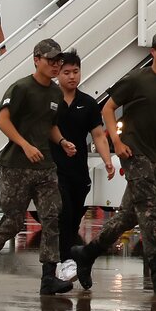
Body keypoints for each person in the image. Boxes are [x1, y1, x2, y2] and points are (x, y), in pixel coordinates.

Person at [70, 30, 156, 295]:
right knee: (150, 209)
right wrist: (117, 141)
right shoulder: (137, 79)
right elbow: (108, 108)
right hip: (134, 153)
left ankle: (87, 254)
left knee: (128, 216)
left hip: (155, 156)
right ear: (153, 52)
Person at [0, 38, 74, 296]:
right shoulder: (21, 88)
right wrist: (25, 145)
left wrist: (62, 141)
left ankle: (48, 277)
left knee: (51, 216)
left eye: (58, 61)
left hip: (45, 166)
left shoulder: (56, 93)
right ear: (36, 60)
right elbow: (2, 121)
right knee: (14, 222)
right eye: (50, 60)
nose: (55, 65)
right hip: (16, 165)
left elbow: (50, 125)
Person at [51, 50, 115, 283]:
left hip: (78, 170)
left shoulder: (87, 103)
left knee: (74, 217)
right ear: (57, 73)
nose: (72, 77)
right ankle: (64, 262)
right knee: (64, 213)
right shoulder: (50, 100)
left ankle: (74, 259)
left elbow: (98, 134)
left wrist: (107, 160)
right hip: (54, 168)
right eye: (66, 72)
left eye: (75, 71)